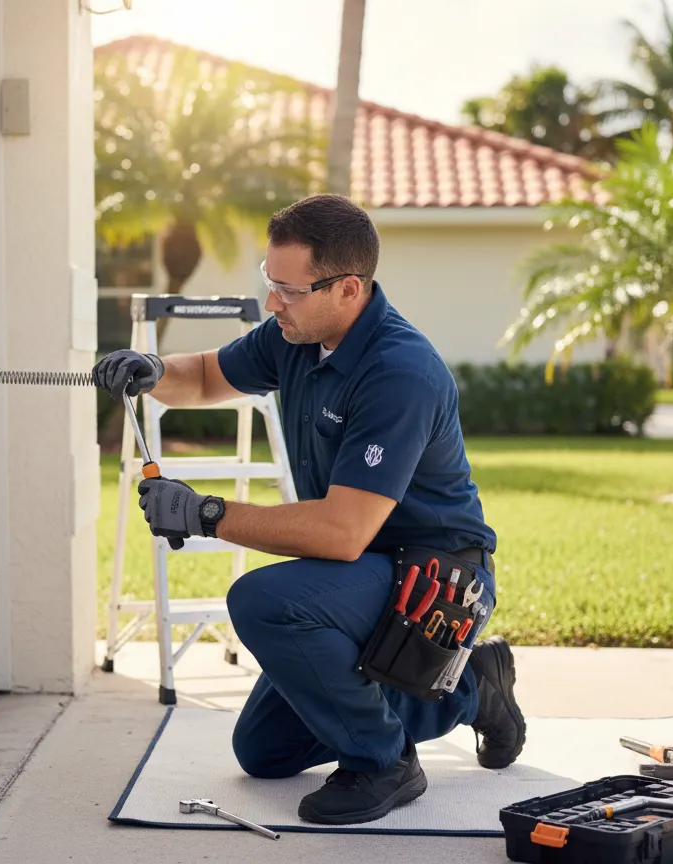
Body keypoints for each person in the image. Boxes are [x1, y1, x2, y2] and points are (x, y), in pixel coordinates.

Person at [91, 193, 525, 826]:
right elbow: (211, 376)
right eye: (271, 283)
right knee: (264, 751)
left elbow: (341, 533)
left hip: (433, 577)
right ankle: (470, 688)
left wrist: (205, 513)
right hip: (366, 572)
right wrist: (152, 369)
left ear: (348, 289)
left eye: (288, 290)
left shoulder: (400, 373)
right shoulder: (298, 334)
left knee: (265, 600)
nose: (273, 303)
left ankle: (384, 762)